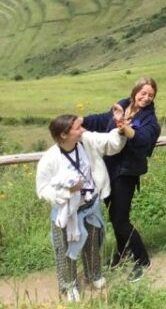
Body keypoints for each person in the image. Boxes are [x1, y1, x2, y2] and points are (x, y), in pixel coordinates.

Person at [36, 113, 127, 302]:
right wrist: (67, 192)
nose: (82, 130)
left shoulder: (85, 142)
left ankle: (93, 275)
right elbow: (42, 188)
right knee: (66, 250)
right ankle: (69, 286)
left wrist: (121, 129)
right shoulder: (49, 159)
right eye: (78, 128)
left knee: (93, 244)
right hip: (67, 213)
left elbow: (111, 143)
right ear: (63, 135)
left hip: (91, 205)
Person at [82, 77, 161, 281]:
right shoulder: (123, 105)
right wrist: (79, 121)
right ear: (135, 92)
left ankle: (143, 260)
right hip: (108, 169)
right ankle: (123, 252)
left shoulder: (150, 120)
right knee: (114, 216)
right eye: (143, 93)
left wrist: (124, 128)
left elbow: (144, 139)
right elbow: (102, 120)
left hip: (126, 173)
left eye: (150, 95)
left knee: (121, 220)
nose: (146, 98)